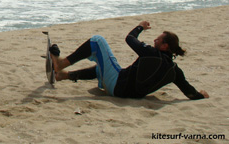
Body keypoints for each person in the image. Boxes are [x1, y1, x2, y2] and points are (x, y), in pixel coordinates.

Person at [49, 21, 209, 99]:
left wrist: (140, 27)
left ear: (165, 46)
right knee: (100, 69)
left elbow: (130, 38)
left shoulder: (152, 54)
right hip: (129, 93)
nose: (154, 40)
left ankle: (61, 63)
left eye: (158, 39)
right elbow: (190, 92)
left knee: (97, 40)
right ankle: (64, 75)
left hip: (117, 87)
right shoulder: (174, 70)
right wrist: (202, 95)